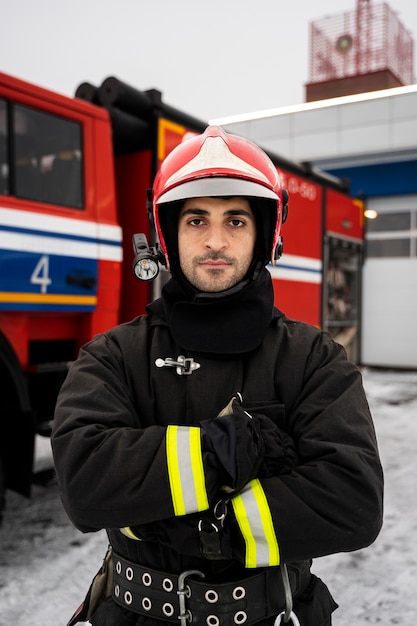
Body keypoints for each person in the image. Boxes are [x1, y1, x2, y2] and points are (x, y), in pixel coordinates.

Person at [52, 126, 383, 626]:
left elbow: (352, 503)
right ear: (167, 233)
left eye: (235, 220)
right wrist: (227, 452)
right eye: (195, 219)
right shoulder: (113, 355)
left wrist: (180, 519)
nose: (214, 240)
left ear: (264, 232)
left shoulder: (315, 359)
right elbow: (85, 483)